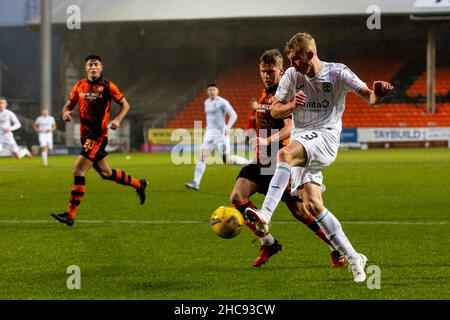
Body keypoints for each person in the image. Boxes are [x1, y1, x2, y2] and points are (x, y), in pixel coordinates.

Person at [245, 33, 394, 282]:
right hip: (303, 138)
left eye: (296, 59)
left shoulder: (338, 73)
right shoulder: (292, 76)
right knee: (313, 205)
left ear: (310, 55)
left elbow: (370, 98)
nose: (292, 64)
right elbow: (275, 108)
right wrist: (292, 105)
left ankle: (266, 215)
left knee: (284, 153)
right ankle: (354, 257)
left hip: (325, 137)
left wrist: (378, 93)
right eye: (290, 59)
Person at [230, 49, 344, 268]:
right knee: (237, 197)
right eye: (263, 71)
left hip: (281, 160)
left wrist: (268, 140)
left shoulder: (287, 94)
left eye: (271, 71)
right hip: (261, 159)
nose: (266, 75)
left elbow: (290, 128)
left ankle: (336, 246)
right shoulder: (266, 93)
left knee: (302, 211)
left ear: (281, 70)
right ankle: (268, 242)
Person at [51, 54, 147, 227]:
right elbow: (69, 105)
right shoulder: (79, 85)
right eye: (90, 64)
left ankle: (70, 214)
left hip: (98, 135)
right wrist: (65, 113)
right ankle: (139, 184)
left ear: (101, 68)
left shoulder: (108, 86)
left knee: (78, 171)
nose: (93, 67)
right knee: (106, 174)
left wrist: (117, 120)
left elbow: (126, 104)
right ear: (86, 68)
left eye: (96, 65)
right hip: (84, 136)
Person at [185, 83, 249, 191]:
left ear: (217, 91)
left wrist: (228, 127)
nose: (211, 92)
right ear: (207, 92)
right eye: (210, 90)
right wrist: (207, 127)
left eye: (213, 90)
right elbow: (210, 117)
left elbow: (234, 114)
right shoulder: (206, 102)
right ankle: (195, 182)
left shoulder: (222, 102)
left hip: (221, 133)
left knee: (227, 160)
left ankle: (249, 163)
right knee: (201, 156)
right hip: (209, 133)